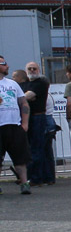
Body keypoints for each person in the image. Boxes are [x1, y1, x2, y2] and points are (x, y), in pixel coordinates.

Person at [0, 55, 33, 195]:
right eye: (4, 64)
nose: (7, 66)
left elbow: (23, 103)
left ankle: (24, 183)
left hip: (14, 125)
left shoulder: (13, 84)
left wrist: (24, 123)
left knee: (21, 158)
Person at [21, 61, 55, 186]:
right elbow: (24, 97)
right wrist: (25, 97)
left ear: (39, 70)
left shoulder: (41, 83)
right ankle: (37, 176)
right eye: (29, 68)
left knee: (38, 148)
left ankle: (37, 178)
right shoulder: (24, 84)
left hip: (38, 117)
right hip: (27, 118)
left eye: (34, 68)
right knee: (30, 148)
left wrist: (25, 97)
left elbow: (26, 97)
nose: (32, 70)